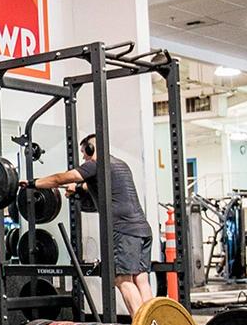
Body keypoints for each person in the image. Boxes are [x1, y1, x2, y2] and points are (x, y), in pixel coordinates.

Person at [23, 134, 154, 314]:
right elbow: (93, 189)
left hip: (124, 230)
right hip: (143, 229)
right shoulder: (119, 165)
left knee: (123, 279)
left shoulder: (94, 165)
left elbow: (60, 179)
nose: (83, 157)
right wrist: (78, 189)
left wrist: (33, 183)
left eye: (84, 152)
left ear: (91, 149)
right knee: (141, 279)